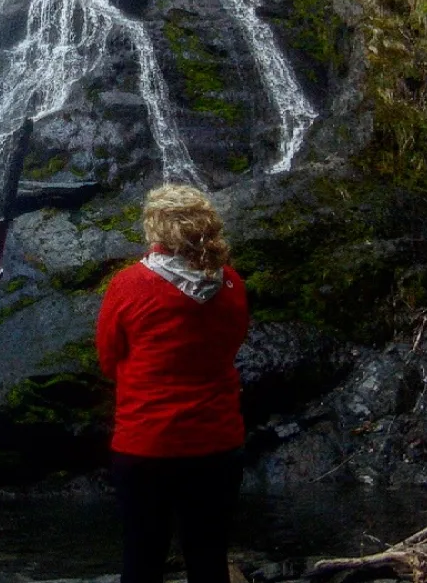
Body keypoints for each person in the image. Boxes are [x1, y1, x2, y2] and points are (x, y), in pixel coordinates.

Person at [96, 184, 249, 583]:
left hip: (146, 445)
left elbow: (108, 359)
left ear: (157, 230)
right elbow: (232, 343)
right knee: (209, 558)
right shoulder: (231, 283)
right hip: (218, 443)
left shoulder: (128, 285)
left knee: (142, 560)